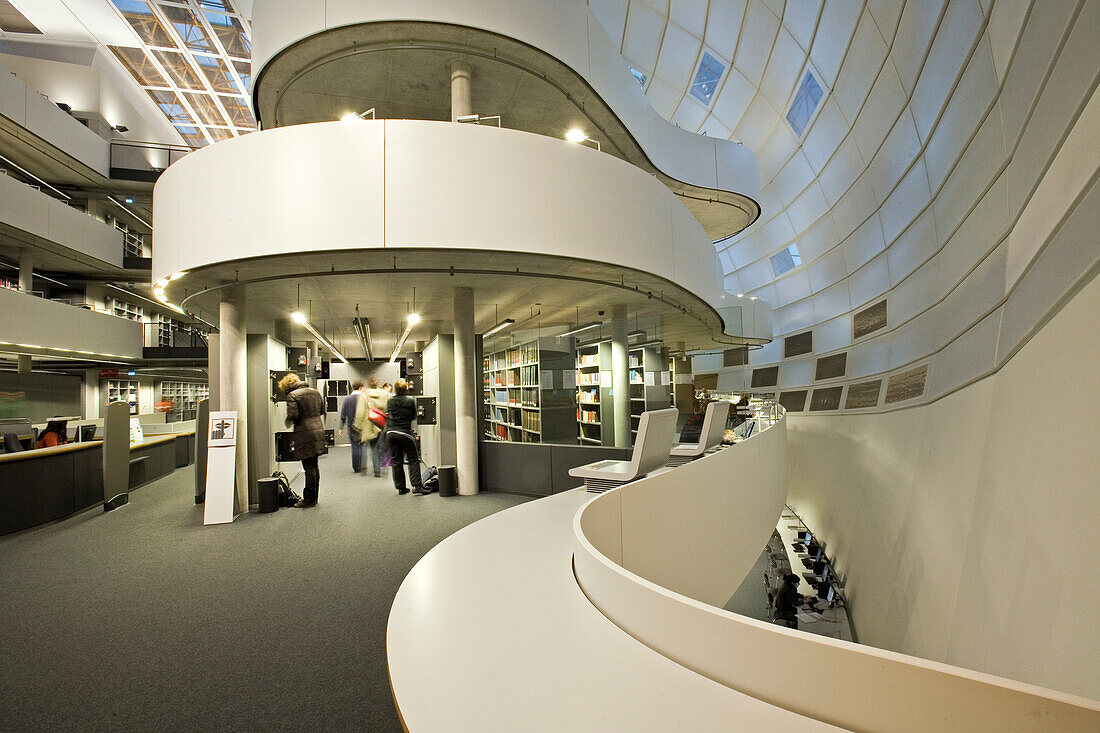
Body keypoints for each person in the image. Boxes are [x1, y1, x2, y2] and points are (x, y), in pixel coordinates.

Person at [280, 373, 327, 508]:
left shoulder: (293, 395)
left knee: (308, 467)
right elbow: (322, 411)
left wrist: (287, 422)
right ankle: (314, 497)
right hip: (318, 429)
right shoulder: (315, 392)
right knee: (314, 466)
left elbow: (293, 415)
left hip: (305, 433)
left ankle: (309, 500)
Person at [385, 379, 426, 495]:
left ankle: (401, 488)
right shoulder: (410, 401)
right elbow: (414, 416)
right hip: (404, 433)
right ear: (406, 390)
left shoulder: (390, 401)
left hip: (391, 433)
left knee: (396, 461)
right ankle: (417, 486)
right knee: (413, 459)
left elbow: (388, 414)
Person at [357, 377, 388, 478]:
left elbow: (360, 412)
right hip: (381, 424)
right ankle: (381, 467)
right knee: (380, 447)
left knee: (373, 448)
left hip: (369, 425)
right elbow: (388, 408)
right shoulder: (384, 394)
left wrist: (357, 425)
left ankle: (376, 470)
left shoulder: (364, 395)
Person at [338, 380, 366, 473]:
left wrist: (341, 428)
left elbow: (343, 414)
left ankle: (356, 468)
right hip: (362, 426)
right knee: (362, 445)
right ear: (360, 388)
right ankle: (362, 466)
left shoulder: (347, 399)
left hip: (351, 426)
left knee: (354, 446)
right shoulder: (364, 398)